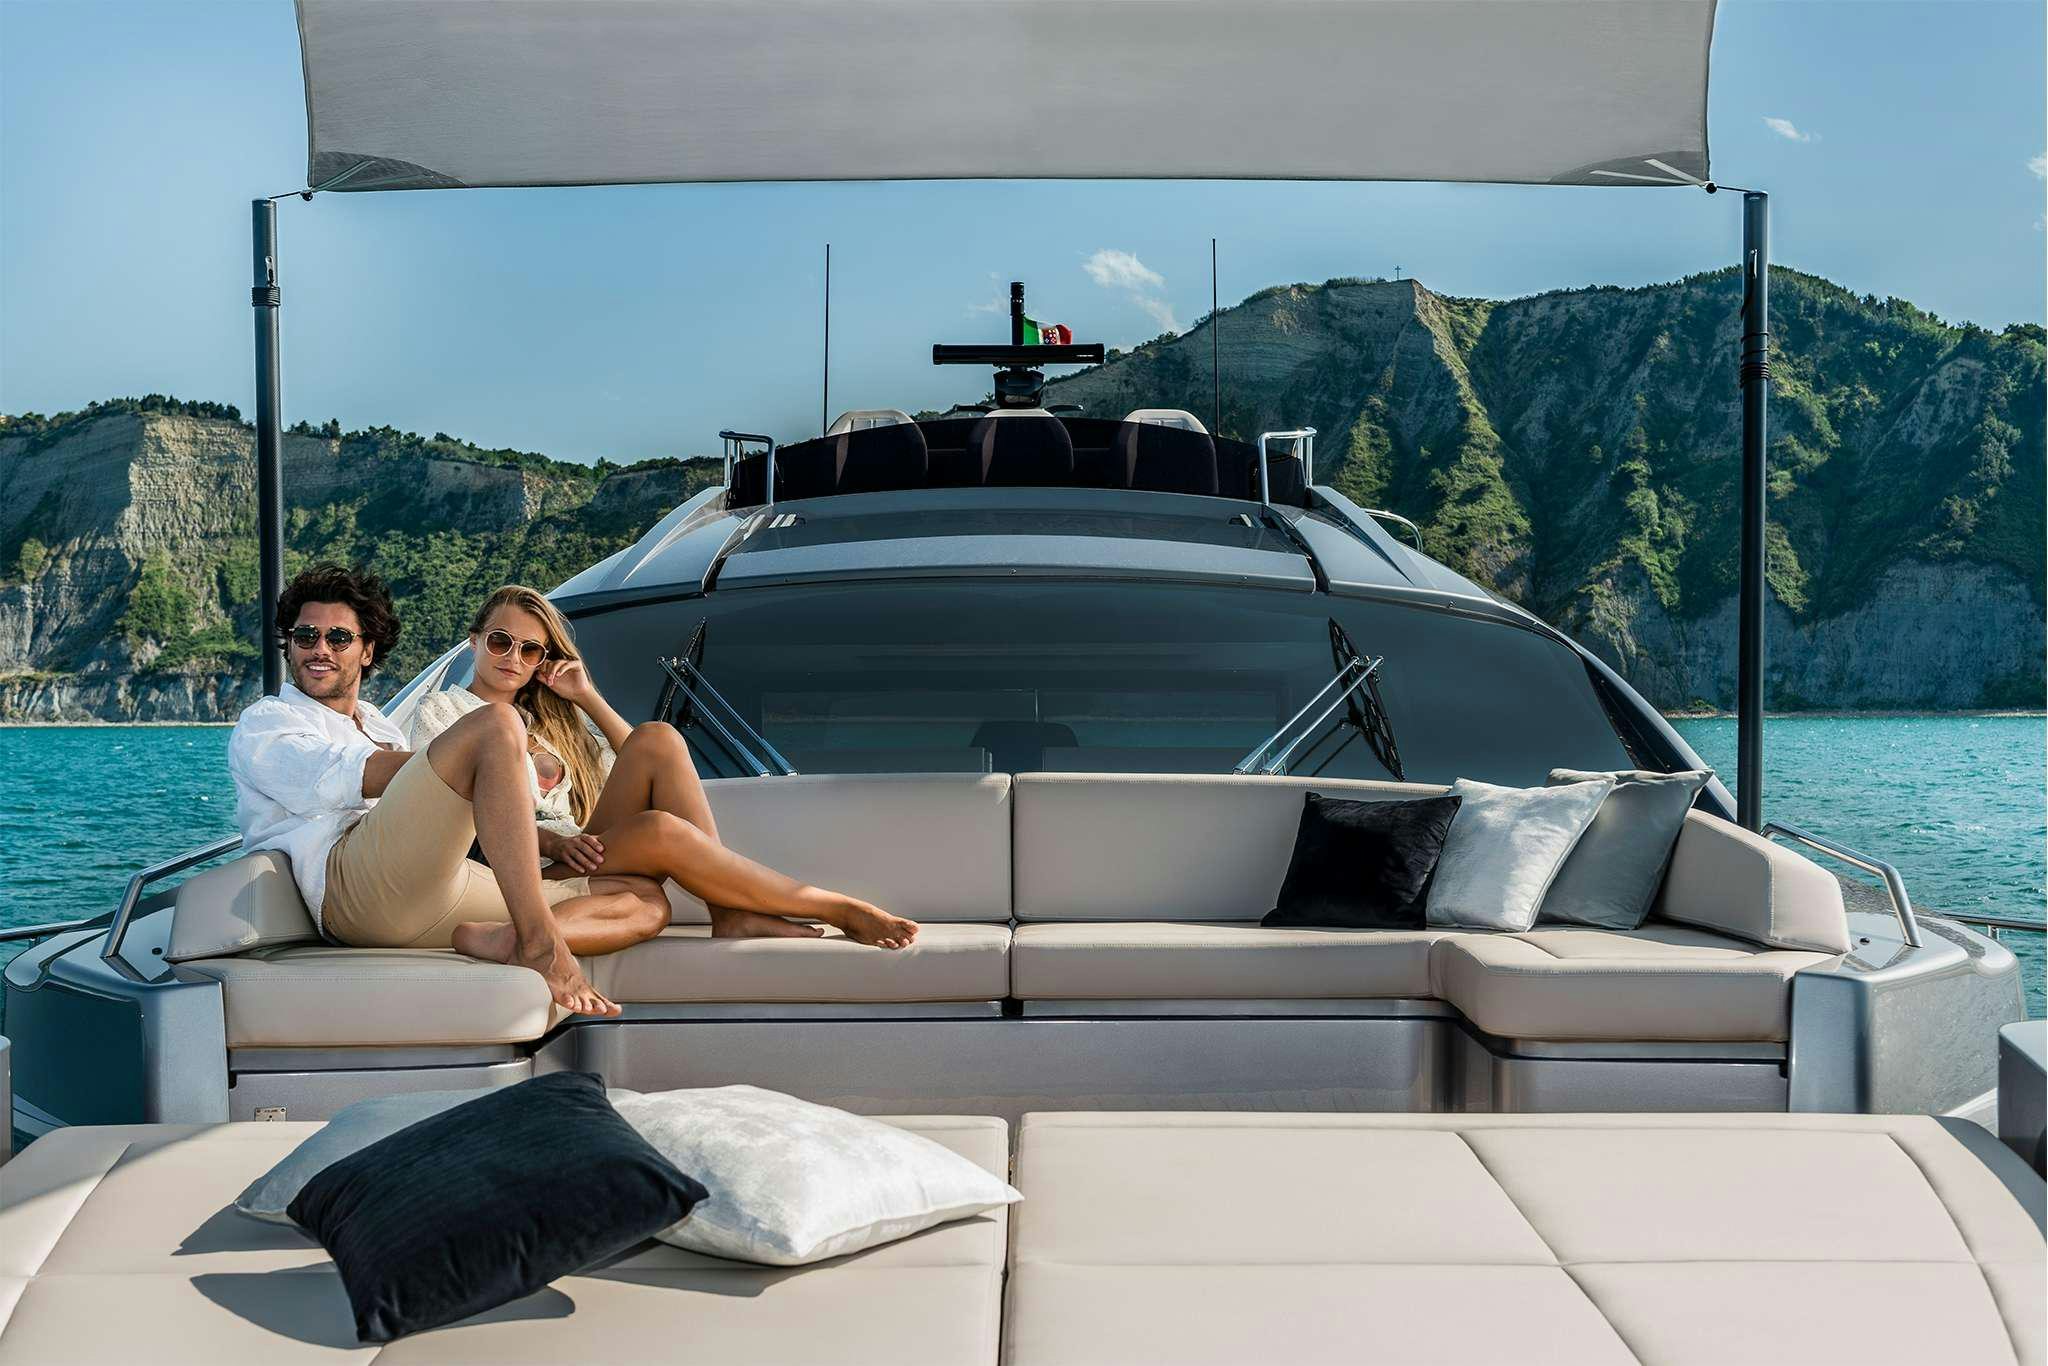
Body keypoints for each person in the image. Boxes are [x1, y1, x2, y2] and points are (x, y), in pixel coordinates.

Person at [227, 565, 668, 1017]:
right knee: (497, 723)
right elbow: (344, 774)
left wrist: (480, 772)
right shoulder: (267, 722)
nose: (319, 649)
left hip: (428, 888)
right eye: (306, 637)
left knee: (644, 902)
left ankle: (506, 938)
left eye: (338, 638)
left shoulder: (377, 724)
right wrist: (474, 763)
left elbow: (427, 805)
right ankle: (541, 944)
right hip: (351, 887)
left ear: (366, 651)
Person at [409, 585, 917, 948]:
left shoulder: (554, 726)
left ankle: (732, 912)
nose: (512, 657)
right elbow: (457, 811)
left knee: (658, 737)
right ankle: (829, 906)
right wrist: (553, 842)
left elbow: (641, 762)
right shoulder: (444, 714)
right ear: (475, 641)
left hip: (579, 852)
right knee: (658, 830)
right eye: (500, 642)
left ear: (543, 660)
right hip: (518, 867)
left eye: (530, 649)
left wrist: (585, 696)